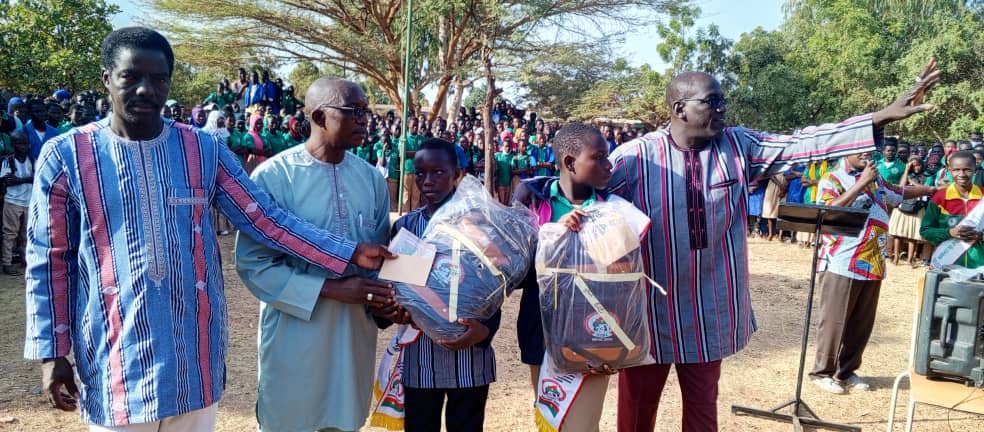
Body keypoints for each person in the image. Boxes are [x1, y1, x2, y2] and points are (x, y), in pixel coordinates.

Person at [23, 27, 394, 431]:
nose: (146, 89)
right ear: (107, 79)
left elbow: (266, 220)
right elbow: (49, 260)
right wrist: (52, 353)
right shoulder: (65, 156)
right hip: (116, 358)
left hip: (193, 356)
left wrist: (351, 253)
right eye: (131, 77)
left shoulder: (203, 149)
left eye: (158, 79)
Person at [607, 63, 940, 430]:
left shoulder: (737, 145)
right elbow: (584, 199)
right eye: (712, 101)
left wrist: (880, 118)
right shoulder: (634, 158)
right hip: (650, 312)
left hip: (709, 310)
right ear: (679, 109)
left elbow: (803, 143)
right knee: (636, 410)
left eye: (723, 101)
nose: (722, 109)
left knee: (703, 411)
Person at [236, 77, 397, 432]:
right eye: (354, 111)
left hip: (354, 333)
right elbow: (254, 265)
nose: (364, 119)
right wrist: (331, 289)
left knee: (345, 419)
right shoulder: (274, 178)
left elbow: (381, 258)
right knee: (291, 419)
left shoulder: (370, 179)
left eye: (365, 111)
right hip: (296, 332)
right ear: (321, 116)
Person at [513, 122, 619, 431]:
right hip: (540, 330)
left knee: (584, 425)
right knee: (550, 420)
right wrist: (555, 233)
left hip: (594, 333)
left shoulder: (614, 208)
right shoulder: (532, 199)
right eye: (598, 157)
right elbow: (516, 270)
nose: (608, 165)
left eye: (607, 156)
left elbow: (623, 279)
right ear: (570, 163)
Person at [391, 137, 501, 432]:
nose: (428, 180)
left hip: (470, 359)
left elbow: (496, 286)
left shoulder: (479, 227)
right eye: (420, 173)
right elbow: (401, 292)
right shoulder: (405, 228)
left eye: (438, 172)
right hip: (420, 359)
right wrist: (394, 311)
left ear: (457, 175)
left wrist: (485, 330)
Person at [811, 149, 939, 394]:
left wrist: (928, 190)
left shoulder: (876, 177)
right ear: (846, 150)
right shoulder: (834, 177)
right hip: (842, 260)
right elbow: (828, 211)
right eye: (860, 149)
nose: (867, 154)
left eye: (870, 150)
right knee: (835, 320)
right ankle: (821, 372)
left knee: (861, 323)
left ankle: (846, 371)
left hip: (873, 261)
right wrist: (861, 183)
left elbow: (897, 193)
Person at [920, 151, 984, 268]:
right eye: (956, 170)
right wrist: (949, 233)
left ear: (975, 169)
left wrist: (981, 236)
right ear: (949, 170)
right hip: (948, 264)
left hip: (979, 265)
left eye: (967, 169)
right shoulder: (939, 198)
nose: (962, 174)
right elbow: (925, 231)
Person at [0, 131, 33, 275]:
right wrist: (27, 179)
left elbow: (36, 178)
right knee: (10, 233)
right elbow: (7, 181)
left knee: (27, 233)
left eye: (25, 143)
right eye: (19, 143)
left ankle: (25, 259)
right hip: (12, 201)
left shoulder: (32, 159)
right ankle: (7, 263)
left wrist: (19, 180)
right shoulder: (8, 161)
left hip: (29, 201)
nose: (23, 146)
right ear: (13, 145)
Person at [889, 155, 930, 267]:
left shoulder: (927, 176)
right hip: (903, 205)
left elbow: (924, 189)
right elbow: (901, 186)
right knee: (898, 234)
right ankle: (896, 257)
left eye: (918, 165)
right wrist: (906, 171)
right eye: (913, 165)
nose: (916, 168)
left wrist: (911, 181)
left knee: (913, 235)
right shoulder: (906, 175)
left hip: (917, 207)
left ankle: (910, 259)